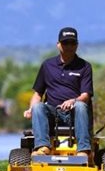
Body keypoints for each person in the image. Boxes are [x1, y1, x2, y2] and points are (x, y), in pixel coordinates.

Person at [23, 26, 94, 163]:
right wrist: (31, 109)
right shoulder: (47, 65)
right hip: (53, 113)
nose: (69, 46)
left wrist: (73, 101)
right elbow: (38, 93)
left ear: (77, 45)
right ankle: (43, 147)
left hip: (75, 113)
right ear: (58, 45)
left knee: (80, 105)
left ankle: (84, 150)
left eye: (72, 43)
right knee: (38, 107)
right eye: (65, 43)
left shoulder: (85, 67)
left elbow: (86, 95)